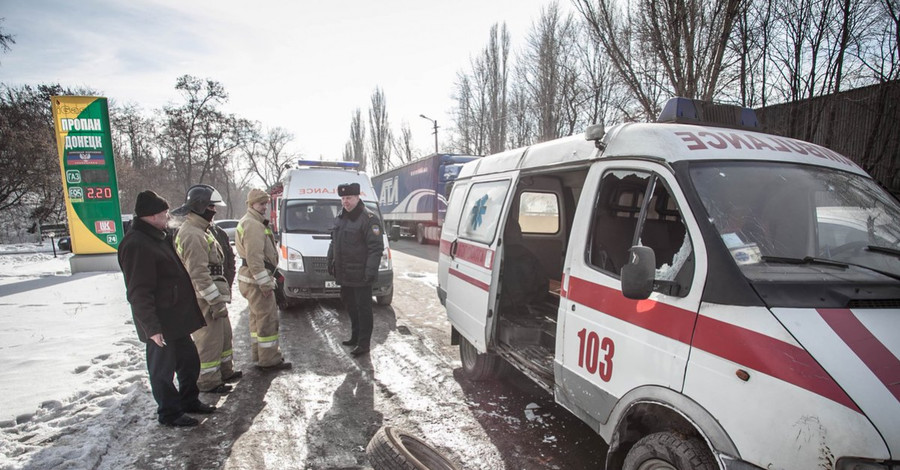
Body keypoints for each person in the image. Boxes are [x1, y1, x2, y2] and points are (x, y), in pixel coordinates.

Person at [117, 190, 215, 427]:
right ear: (151, 216)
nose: (168, 216)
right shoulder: (137, 244)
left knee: (189, 362)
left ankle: (189, 401)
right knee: (162, 371)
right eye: (164, 213)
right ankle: (169, 413)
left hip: (176, 320)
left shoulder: (157, 236)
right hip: (160, 324)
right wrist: (151, 328)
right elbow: (139, 292)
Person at [172, 184, 240, 394]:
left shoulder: (202, 230)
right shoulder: (192, 234)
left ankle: (224, 371)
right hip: (204, 298)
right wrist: (214, 301)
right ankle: (208, 381)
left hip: (213, 295)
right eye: (211, 206)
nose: (215, 210)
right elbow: (198, 274)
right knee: (209, 339)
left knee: (223, 335)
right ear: (201, 207)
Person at [236, 188, 292, 370]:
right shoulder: (253, 224)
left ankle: (258, 354)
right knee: (267, 319)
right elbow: (254, 257)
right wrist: (265, 283)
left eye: (266, 204)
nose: (264, 207)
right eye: (261, 204)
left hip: (250, 280)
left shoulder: (251, 221)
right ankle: (269, 359)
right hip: (256, 281)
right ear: (251, 204)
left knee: (256, 319)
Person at [327, 182, 384, 357]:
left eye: (349, 198)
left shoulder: (369, 218)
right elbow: (334, 242)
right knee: (350, 306)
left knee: (363, 309)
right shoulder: (341, 217)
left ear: (358, 197)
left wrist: (370, 272)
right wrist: (330, 261)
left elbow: (376, 248)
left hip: (361, 274)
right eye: (343, 198)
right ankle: (355, 336)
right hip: (345, 273)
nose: (345, 201)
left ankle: (364, 343)